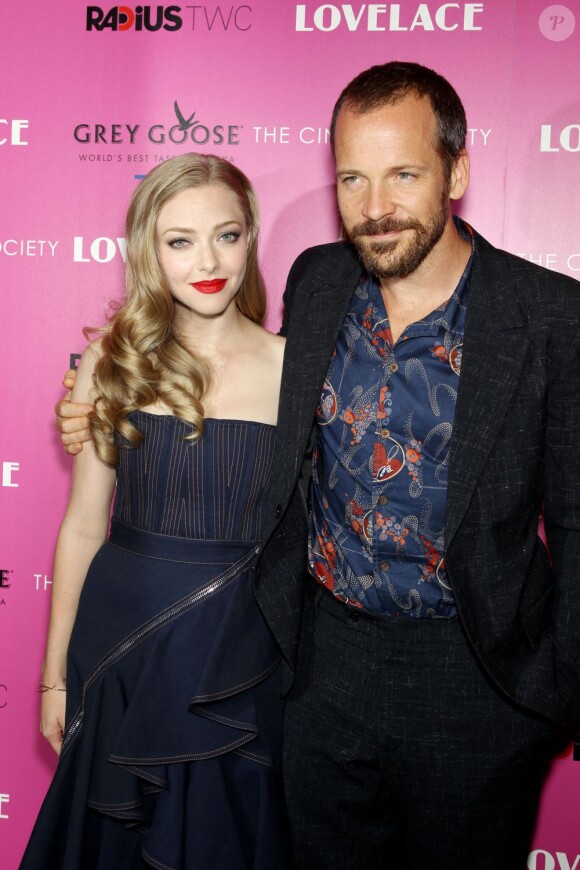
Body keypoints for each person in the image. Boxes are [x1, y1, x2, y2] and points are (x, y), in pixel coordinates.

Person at [56, 62, 580, 869]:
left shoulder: (549, 315)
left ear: (458, 173)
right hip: (322, 673)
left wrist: (553, 692)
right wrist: (94, 400)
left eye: (403, 174)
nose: (376, 207)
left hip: (476, 680)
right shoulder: (322, 282)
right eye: (352, 178)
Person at [22, 153, 287, 870]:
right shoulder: (113, 362)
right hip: (122, 656)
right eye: (180, 241)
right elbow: (83, 526)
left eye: (226, 235)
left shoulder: (297, 368)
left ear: (250, 238)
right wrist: (53, 675)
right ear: (149, 252)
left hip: (238, 664)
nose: (208, 260)